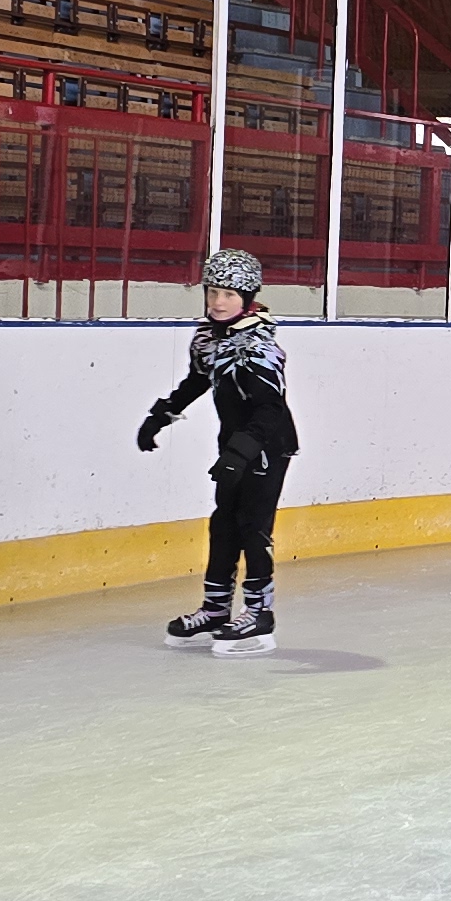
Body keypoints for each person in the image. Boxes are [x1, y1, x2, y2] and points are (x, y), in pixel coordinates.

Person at [140, 247, 297, 654]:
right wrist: (160, 416)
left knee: (253, 526)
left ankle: (259, 612)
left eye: (228, 294)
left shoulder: (259, 345)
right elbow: (197, 380)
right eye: (212, 292)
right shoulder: (208, 338)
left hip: (267, 446)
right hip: (233, 446)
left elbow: (270, 408)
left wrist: (240, 453)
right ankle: (215, 609)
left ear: (247, 298)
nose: (218, 302)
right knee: (223, 524)